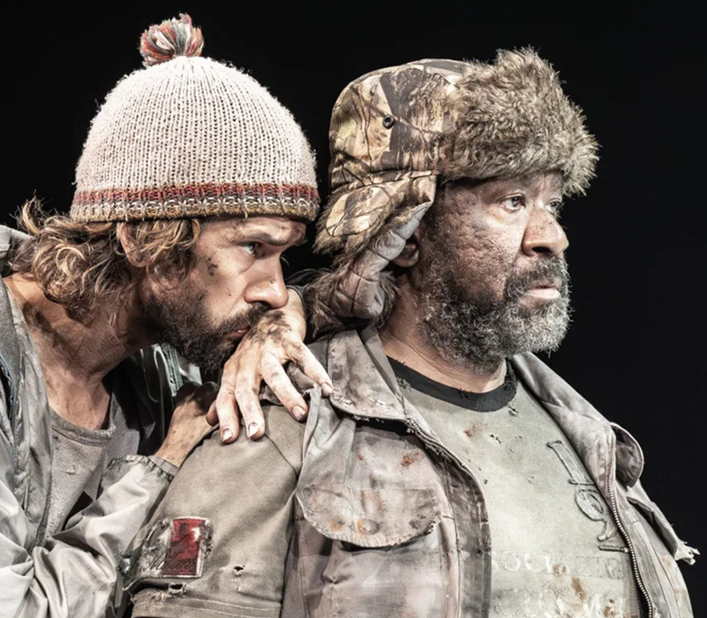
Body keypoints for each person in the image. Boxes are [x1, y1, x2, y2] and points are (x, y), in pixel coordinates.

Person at [0, 14, 332, 618]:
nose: (276, 290)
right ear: (144, 241)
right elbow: (6, 611)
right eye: (254, 248)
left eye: (284, 255)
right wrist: (161, 467)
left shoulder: (153, 368)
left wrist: (281, 330)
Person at [125, 50, 697, 618]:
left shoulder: (591, 439)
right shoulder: (278, 425)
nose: (551, 236)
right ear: (404, 232)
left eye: (552, 203)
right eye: (512, 202)